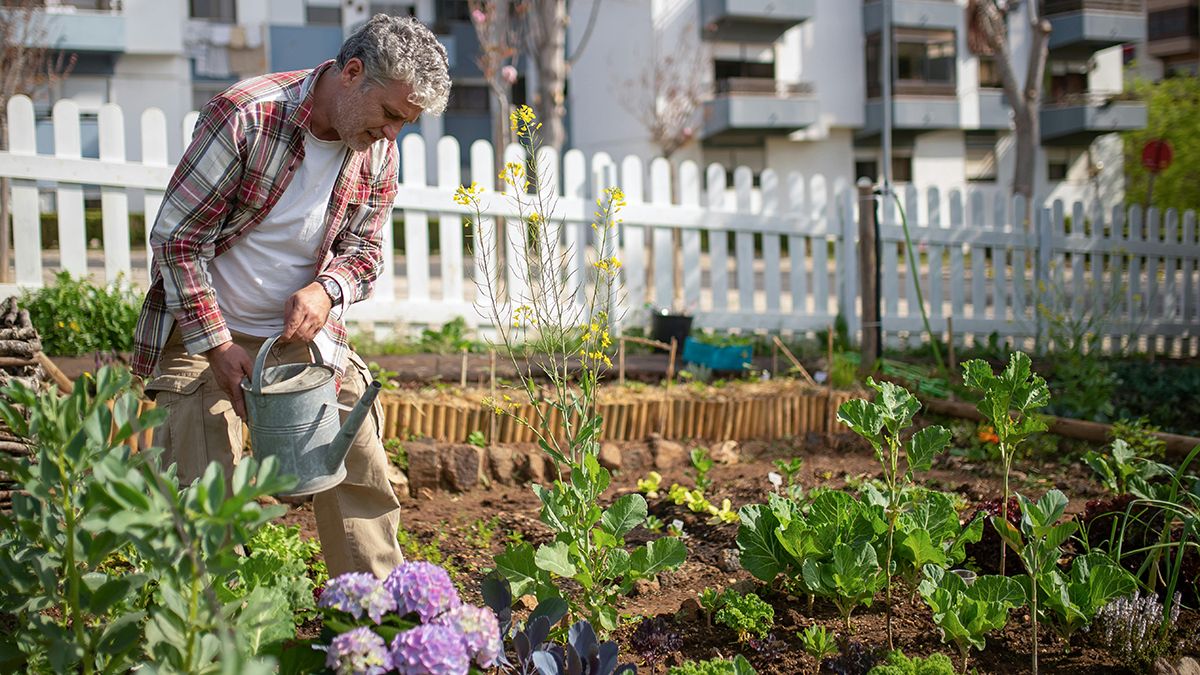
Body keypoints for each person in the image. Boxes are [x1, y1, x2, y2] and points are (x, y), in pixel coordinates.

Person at [131, 14, 451, 578]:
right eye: (390, 114)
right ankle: (217, 625)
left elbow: (365, 253)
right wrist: (217, 346)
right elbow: (177, 240)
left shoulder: (376, 149)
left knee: (357, 456)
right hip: (204, 335)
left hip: (301, 338)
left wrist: (328, 290)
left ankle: (375, 616)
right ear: (352, 73)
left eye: (406, 122)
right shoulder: (247, 116)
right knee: (202, 485)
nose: (392, 134)